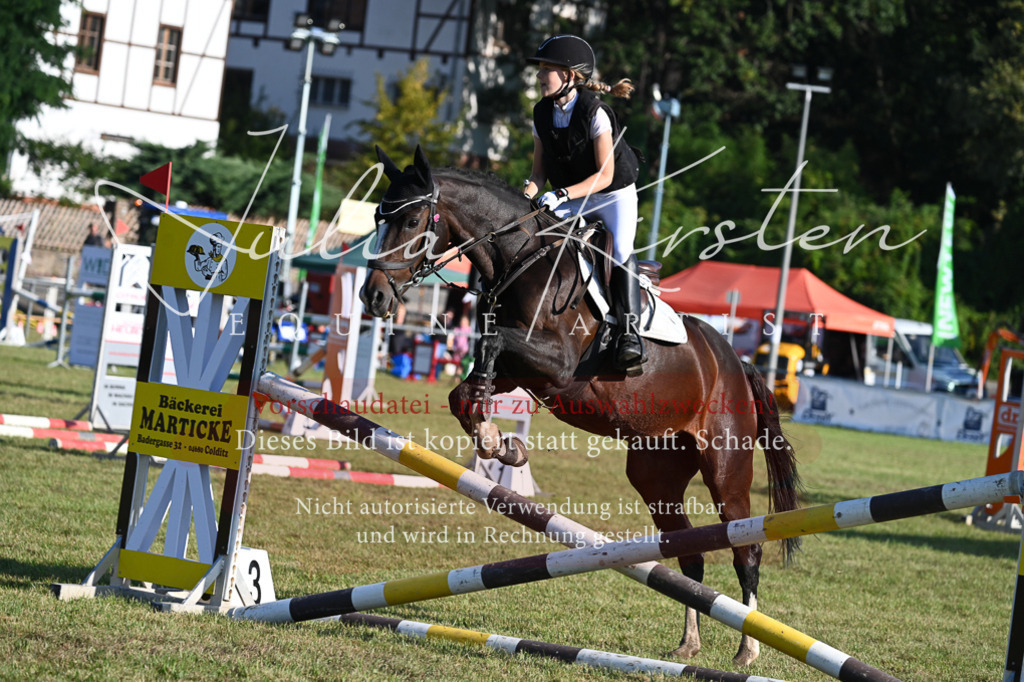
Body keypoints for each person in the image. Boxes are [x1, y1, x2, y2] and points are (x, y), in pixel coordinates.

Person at [522, 34, 646, 373]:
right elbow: (538, 174)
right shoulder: (541, 113)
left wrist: (562, 194)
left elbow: (604, 176)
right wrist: (524, 199)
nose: (539, 75)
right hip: (573, 195)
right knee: (533, 233)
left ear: (568, 75)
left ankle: (630, 335)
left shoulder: (595, 112)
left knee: (621, 250)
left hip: (613, 194)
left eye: (546, 69)